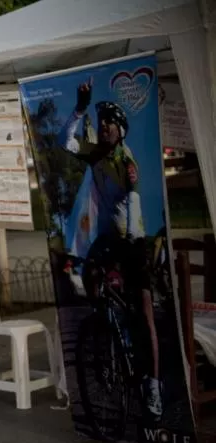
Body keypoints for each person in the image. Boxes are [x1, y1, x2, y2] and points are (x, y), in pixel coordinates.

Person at [60, 77, 162, 422]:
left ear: (121, 131)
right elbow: (66, 141)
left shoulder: (125, 158)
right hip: (107, 238)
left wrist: (132, 239)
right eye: (101, 123)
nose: (103, 128)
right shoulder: (97, 154)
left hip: (131, 238)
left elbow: (133, 197)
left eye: (110, 124)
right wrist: (79, 107)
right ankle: (105, 320)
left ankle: (153, 386)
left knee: (145, 314)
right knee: (88, 272)